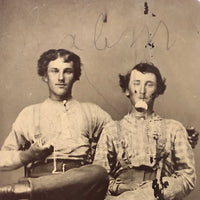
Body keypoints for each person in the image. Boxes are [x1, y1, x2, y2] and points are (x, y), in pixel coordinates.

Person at [0, 49, 111, 200]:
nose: (61, 78)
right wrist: (29, 155)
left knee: (99, 173)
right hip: (41, 182)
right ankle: (34, 188)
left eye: (67, 71)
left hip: (79, 189)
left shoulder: (92, 112)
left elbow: (116, 142)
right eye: (54, 71)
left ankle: (23, 189)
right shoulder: (30, 113)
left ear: (75, 75)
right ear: (45, 76)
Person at [94, 62, 196, 200]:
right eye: (136, 83)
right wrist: (122, 190)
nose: (141, 90)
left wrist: (153, 192)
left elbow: (187, 176)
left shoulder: (174, 129)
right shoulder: (111, 130)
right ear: (127, 90)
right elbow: (99, 177)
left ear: (158, 91)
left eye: (149, 84)